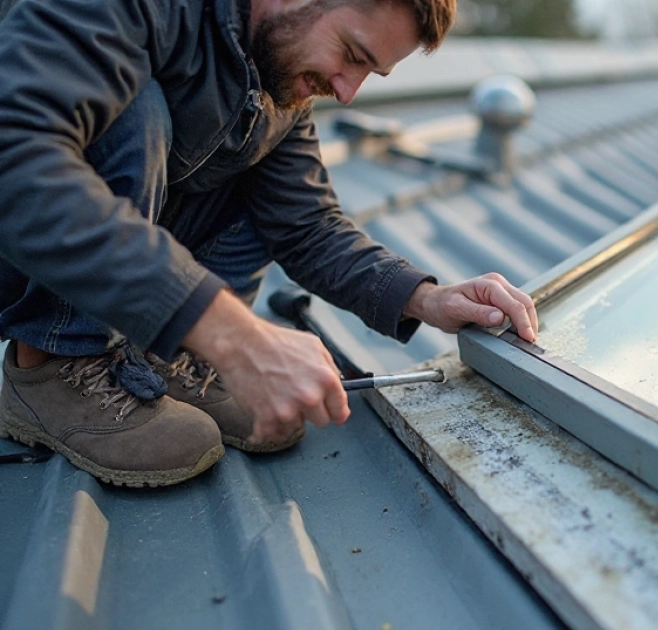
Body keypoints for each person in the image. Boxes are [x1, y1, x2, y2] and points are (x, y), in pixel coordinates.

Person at [0, 0, 538, 487]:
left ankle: (168, 355)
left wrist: (427, 298)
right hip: (21, 250)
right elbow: (17, 155)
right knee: (134, 113)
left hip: (110, 271)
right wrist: (236, 337)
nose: (348, 91)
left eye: (368, 73)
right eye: (351, 54)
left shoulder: (275, 74)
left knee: (252, 179)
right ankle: (51, 361)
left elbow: (305, 224)